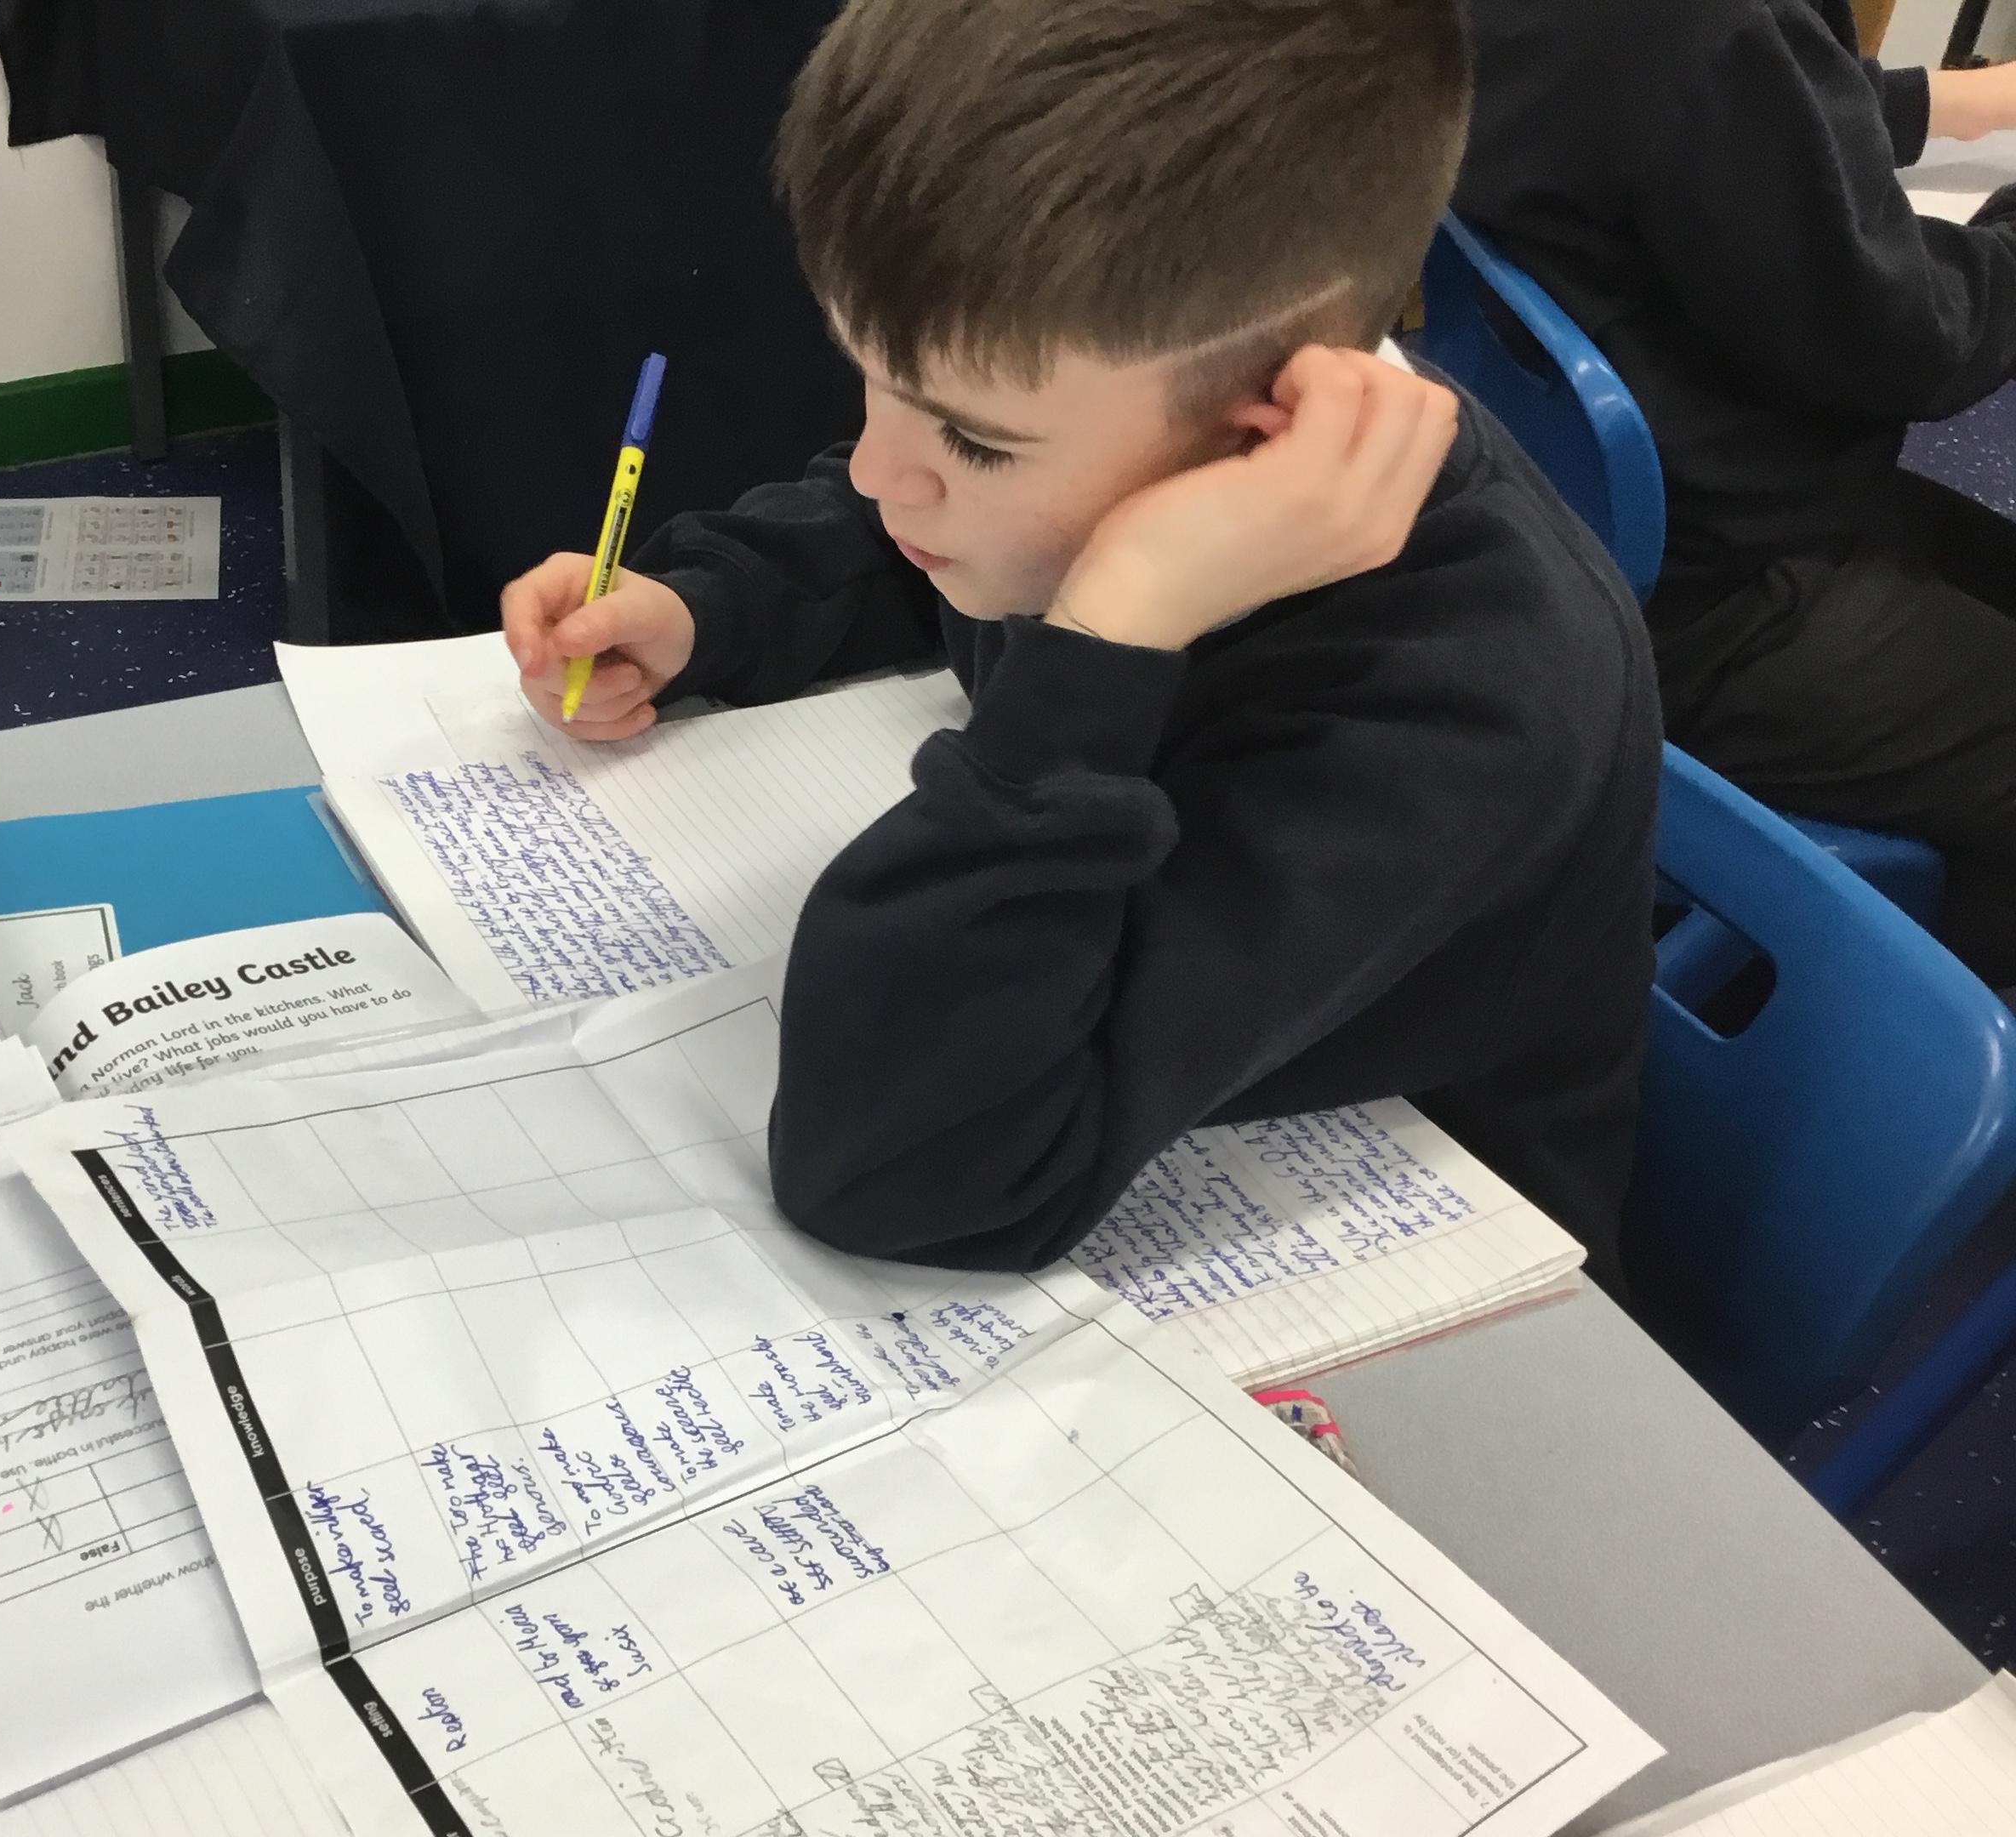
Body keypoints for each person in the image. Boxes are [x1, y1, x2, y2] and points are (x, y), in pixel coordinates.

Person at [497, 0, 1662, 1285]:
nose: (881, 470)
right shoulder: (1109, 430)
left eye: (972, 441)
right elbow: (901, 532)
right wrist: (710, 608)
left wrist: (1120, 622)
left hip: (1429, 1254)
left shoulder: (1464, 703)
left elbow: (896, 1170)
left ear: (1261, 436)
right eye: (874, 378)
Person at [1457, 0, 2016, 986]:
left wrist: (1948, 104)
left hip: (1558, 528)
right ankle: (1903, 1032)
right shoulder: (1715, 25)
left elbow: (1709, 110)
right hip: (1716, 597)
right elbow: (1912, 341)